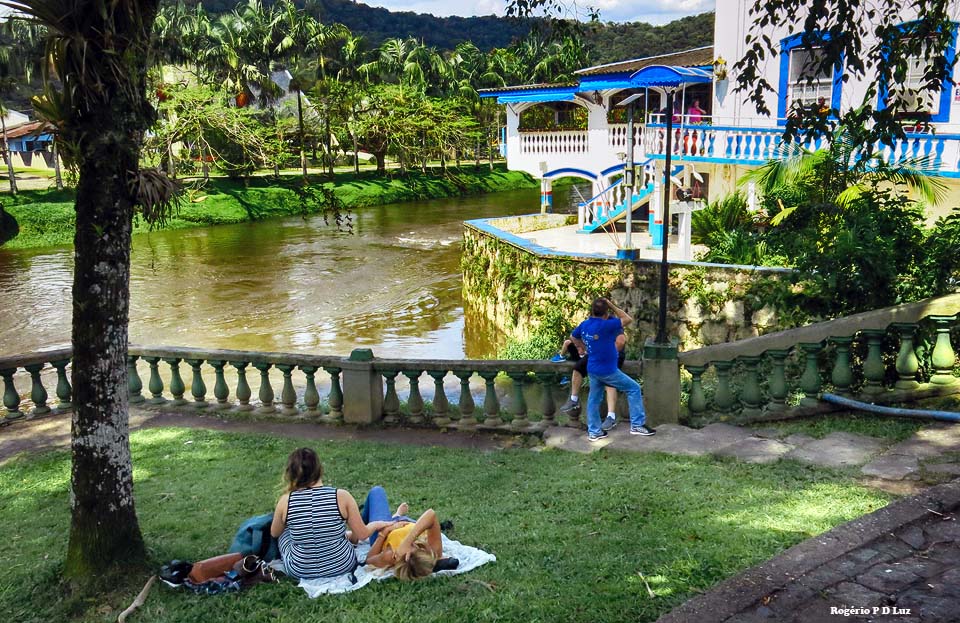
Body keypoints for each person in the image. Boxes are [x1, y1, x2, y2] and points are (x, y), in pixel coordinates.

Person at [270, 448, 397, 580]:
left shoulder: (285, 501)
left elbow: (274, 532)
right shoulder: (341, 496)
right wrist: (376, 524)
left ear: (290, 473)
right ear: (320, 469)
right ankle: (337, 539)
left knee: (284, 532)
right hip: (342, 564)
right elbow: (362, 534)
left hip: (300, 570)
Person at [570, 298, 655, 441]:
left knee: (594, 399)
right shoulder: (606, 325)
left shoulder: (585, 324)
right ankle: (637, 425)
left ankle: (594, 431)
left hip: (593, 368)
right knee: (633, 388)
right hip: (607, 370)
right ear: (606, 313)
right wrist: (611, 305)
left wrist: (582, 347)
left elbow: (573, 336)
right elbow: (627, 319)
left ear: (592, 311)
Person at [364, 502, 459, 581]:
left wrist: (384, 533)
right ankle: (397, 515)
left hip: (387, 525)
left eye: (413, 546)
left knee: (377, 491)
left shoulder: (391, 555)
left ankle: (364, 524)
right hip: (409, 522)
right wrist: (407, 541)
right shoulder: (432, 552)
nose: (413, 542)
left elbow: (369, 559)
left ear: (407, 556)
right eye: (419, 547)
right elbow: (431, 514)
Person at [558, 333, 627, 431]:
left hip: (613, 354)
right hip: (596, 352)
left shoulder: (614, 326)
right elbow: (576, 336)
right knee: (578, 368)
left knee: (609, 381)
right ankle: (574, 399)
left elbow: (620, 342)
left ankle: (611, 417)